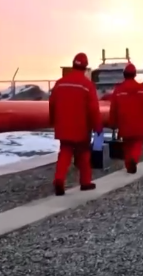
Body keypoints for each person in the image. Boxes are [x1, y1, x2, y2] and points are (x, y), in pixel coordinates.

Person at [49, 52, 102, 196]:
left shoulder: (60, 83)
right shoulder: (87, 85)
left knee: (65, 152)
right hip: (81, 127)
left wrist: (53, 120)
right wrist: (97, 127)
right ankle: (85, 182)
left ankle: (59, 179)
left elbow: (52, 103)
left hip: (63, 125)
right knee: (84, 154)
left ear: (73, 65)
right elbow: (93, 109)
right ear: (85, 68)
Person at [109, 63, 143, 174]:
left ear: (124, 74)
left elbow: (113, 108)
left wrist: (112, 123)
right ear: (134, 74)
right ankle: (134, 159)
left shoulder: (118, 90)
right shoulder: (142, 89)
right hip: (139, 124)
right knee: (137, 143)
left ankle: (129, 165)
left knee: (127, 145)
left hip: (124, 124)